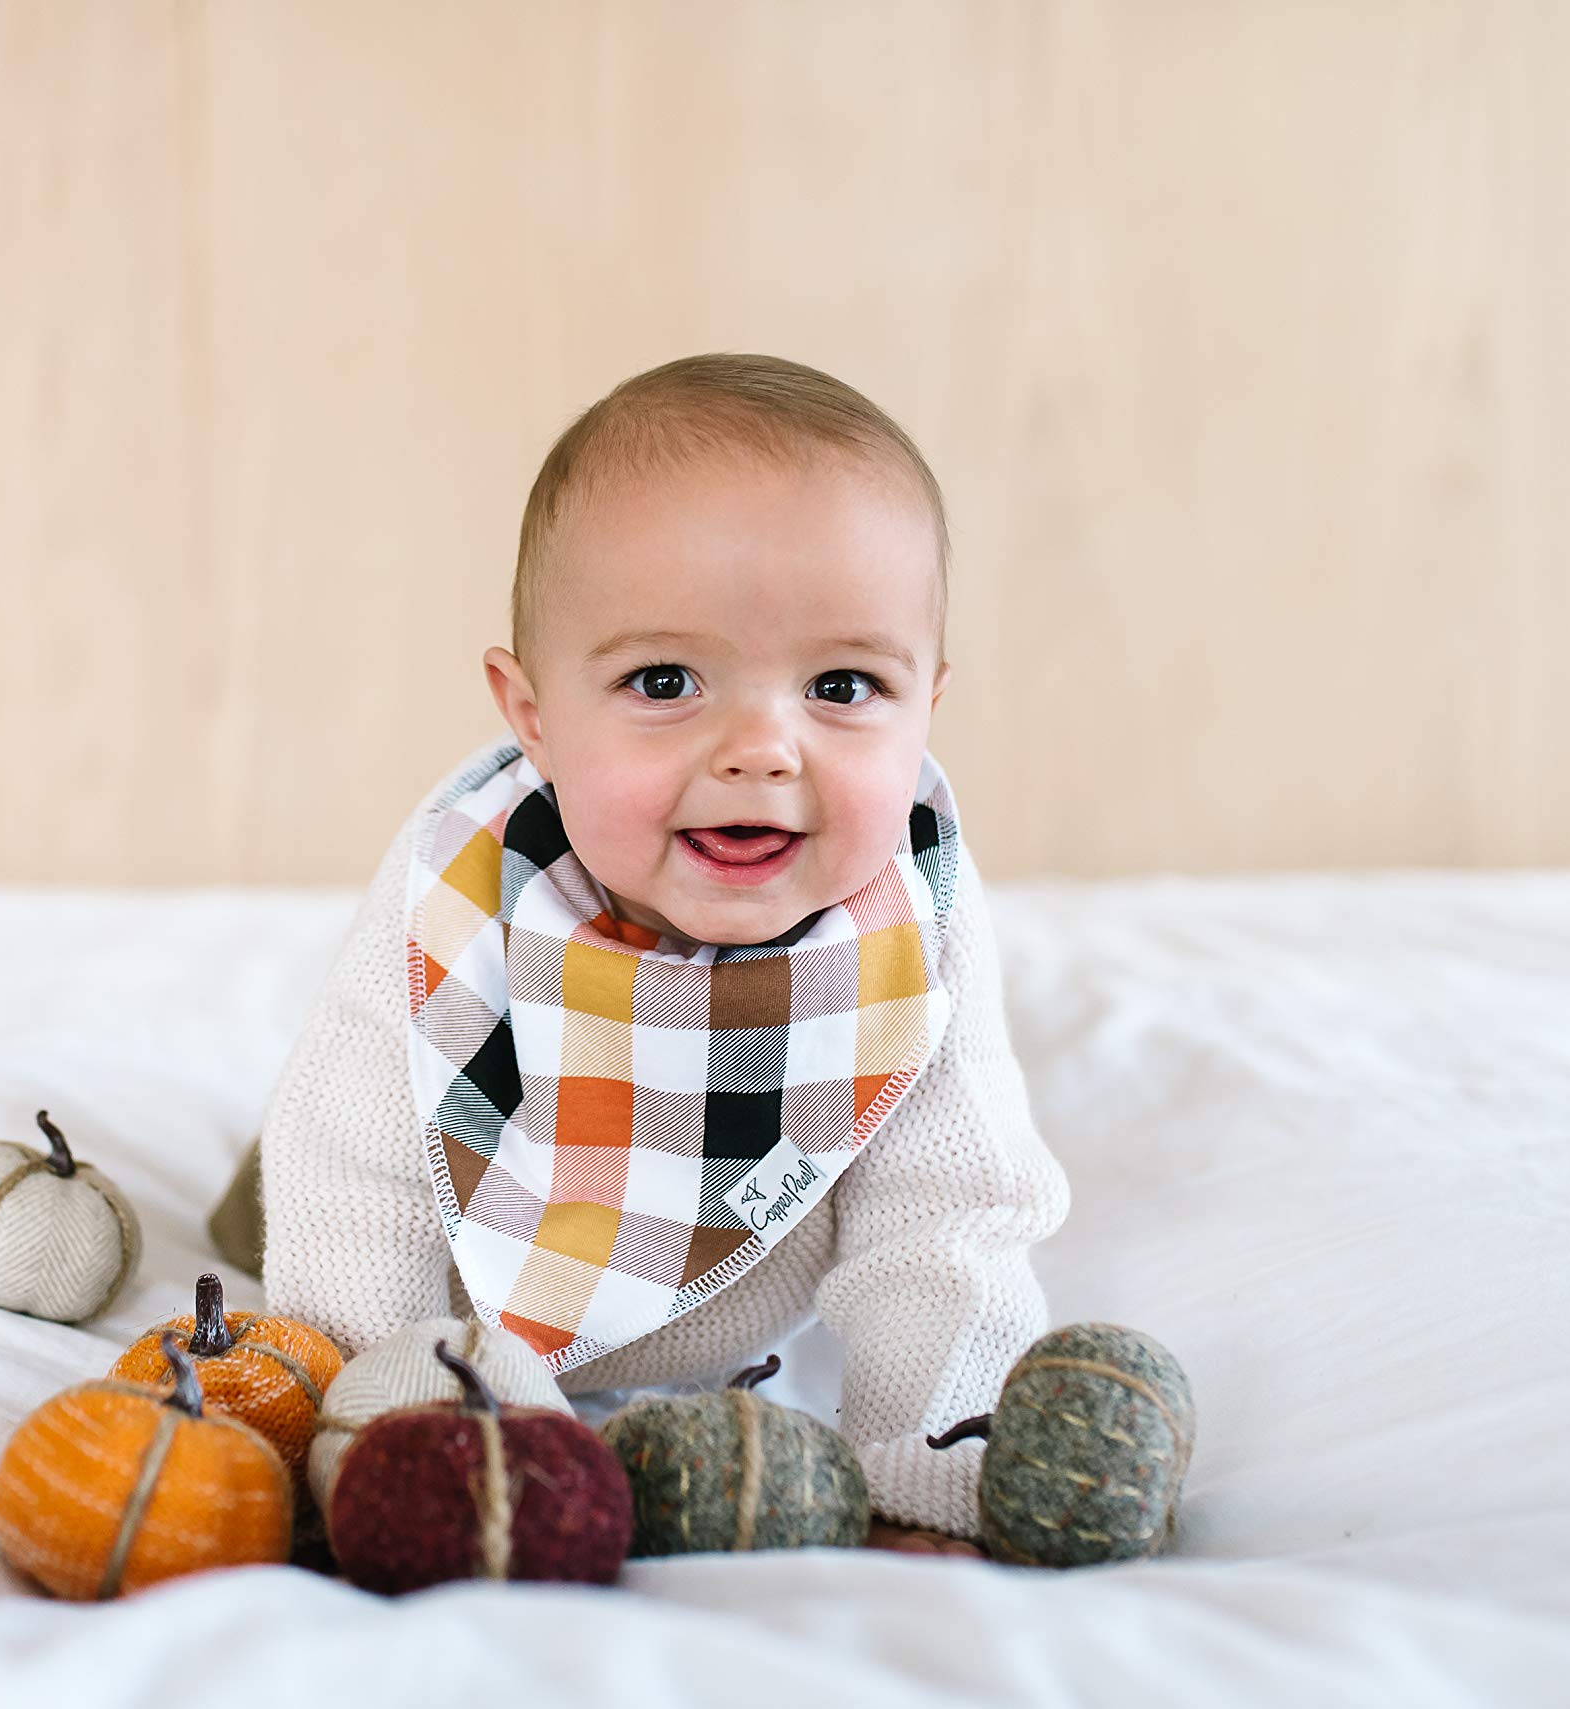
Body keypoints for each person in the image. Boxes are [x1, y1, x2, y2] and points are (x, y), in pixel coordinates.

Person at [235, 353, 1070, 1558]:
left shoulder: (906, 912)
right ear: (531, 717)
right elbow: (354, 1172)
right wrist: (381, 1424)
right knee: (291, 1168)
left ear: (927, 704)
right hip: (489, 1313)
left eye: (843, 684)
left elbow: (951, 1216)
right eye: (663, 680)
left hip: (750, 1322)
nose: (761, 747)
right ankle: (236, 1195)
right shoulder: (468, 889)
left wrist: (923, 1464)